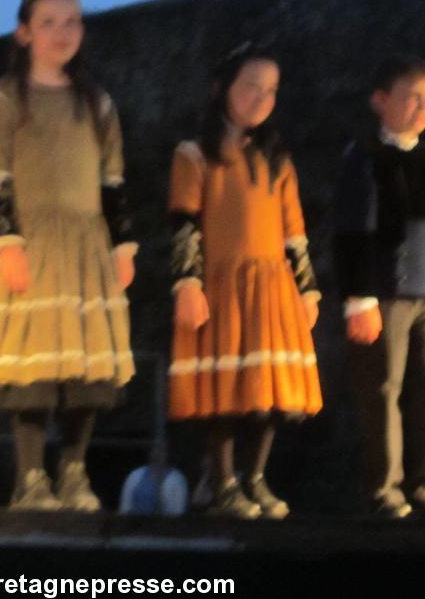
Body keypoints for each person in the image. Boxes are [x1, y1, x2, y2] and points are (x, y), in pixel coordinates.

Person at [0, 0, 136, 511]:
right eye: (49, 22)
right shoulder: (1, 100)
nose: (62, 32)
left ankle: (74, 472)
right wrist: (7, 243)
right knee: (34, 366)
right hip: (31, 241)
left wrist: (123, 245)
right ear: (24, 33)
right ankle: (30, 477)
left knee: (83, 367)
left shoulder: (98, 103)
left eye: (72, 22)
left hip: (87, 244)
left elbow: (113, 181)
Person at [168, 43, 322, 519]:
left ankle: (255, 477)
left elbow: (295, 231)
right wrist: (187, 283)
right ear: (223, 89)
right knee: (227, 390)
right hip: (221, 286)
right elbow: (184, 223)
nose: (261, 97)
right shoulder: (195, 155)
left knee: (265, 390)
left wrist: (307, 288)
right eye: (250, 86)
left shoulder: (277, 159)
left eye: (271, 90)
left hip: (272, 288)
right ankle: (221, 480)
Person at [334, 55, 425, 519]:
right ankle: (385, 488)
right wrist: (358, 297)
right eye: (412, 96)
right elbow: (350, 232)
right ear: (380, 100)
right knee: (383, 389)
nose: (424, 107)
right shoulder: (362, 158)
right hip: (382, 291)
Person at [118, 440, 188, 516]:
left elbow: (178, 513)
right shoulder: (135, 475)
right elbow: (124, 509)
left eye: (162, 450)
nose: (158, 454)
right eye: (156, 449)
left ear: (168, 453)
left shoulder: (177, 480)